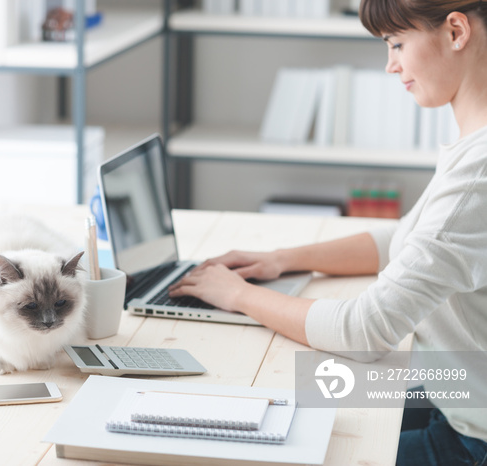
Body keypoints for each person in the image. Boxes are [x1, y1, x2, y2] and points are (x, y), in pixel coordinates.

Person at [169, 0, 487, 464]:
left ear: (456, 31)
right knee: (282, 407)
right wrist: (281, 259)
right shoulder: (472, 144)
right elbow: (404, 241)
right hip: (450, 388)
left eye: (397, 43)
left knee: (283, 444)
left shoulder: (476, 175)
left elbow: (366, 331)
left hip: (468, 435)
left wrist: (238, 295)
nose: (390, 65)